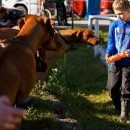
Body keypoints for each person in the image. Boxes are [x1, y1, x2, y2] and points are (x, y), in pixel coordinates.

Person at [106, 0, 130, 121]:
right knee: (112, 88)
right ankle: (118, 107)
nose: (119, 16)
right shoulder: (114, 25)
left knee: (126, 87)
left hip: (128, 62)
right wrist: (109, 52)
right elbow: (111, 41)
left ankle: (124, 113)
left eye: (121, 13)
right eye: (116, 14)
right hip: (115, 60)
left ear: (129, 10)